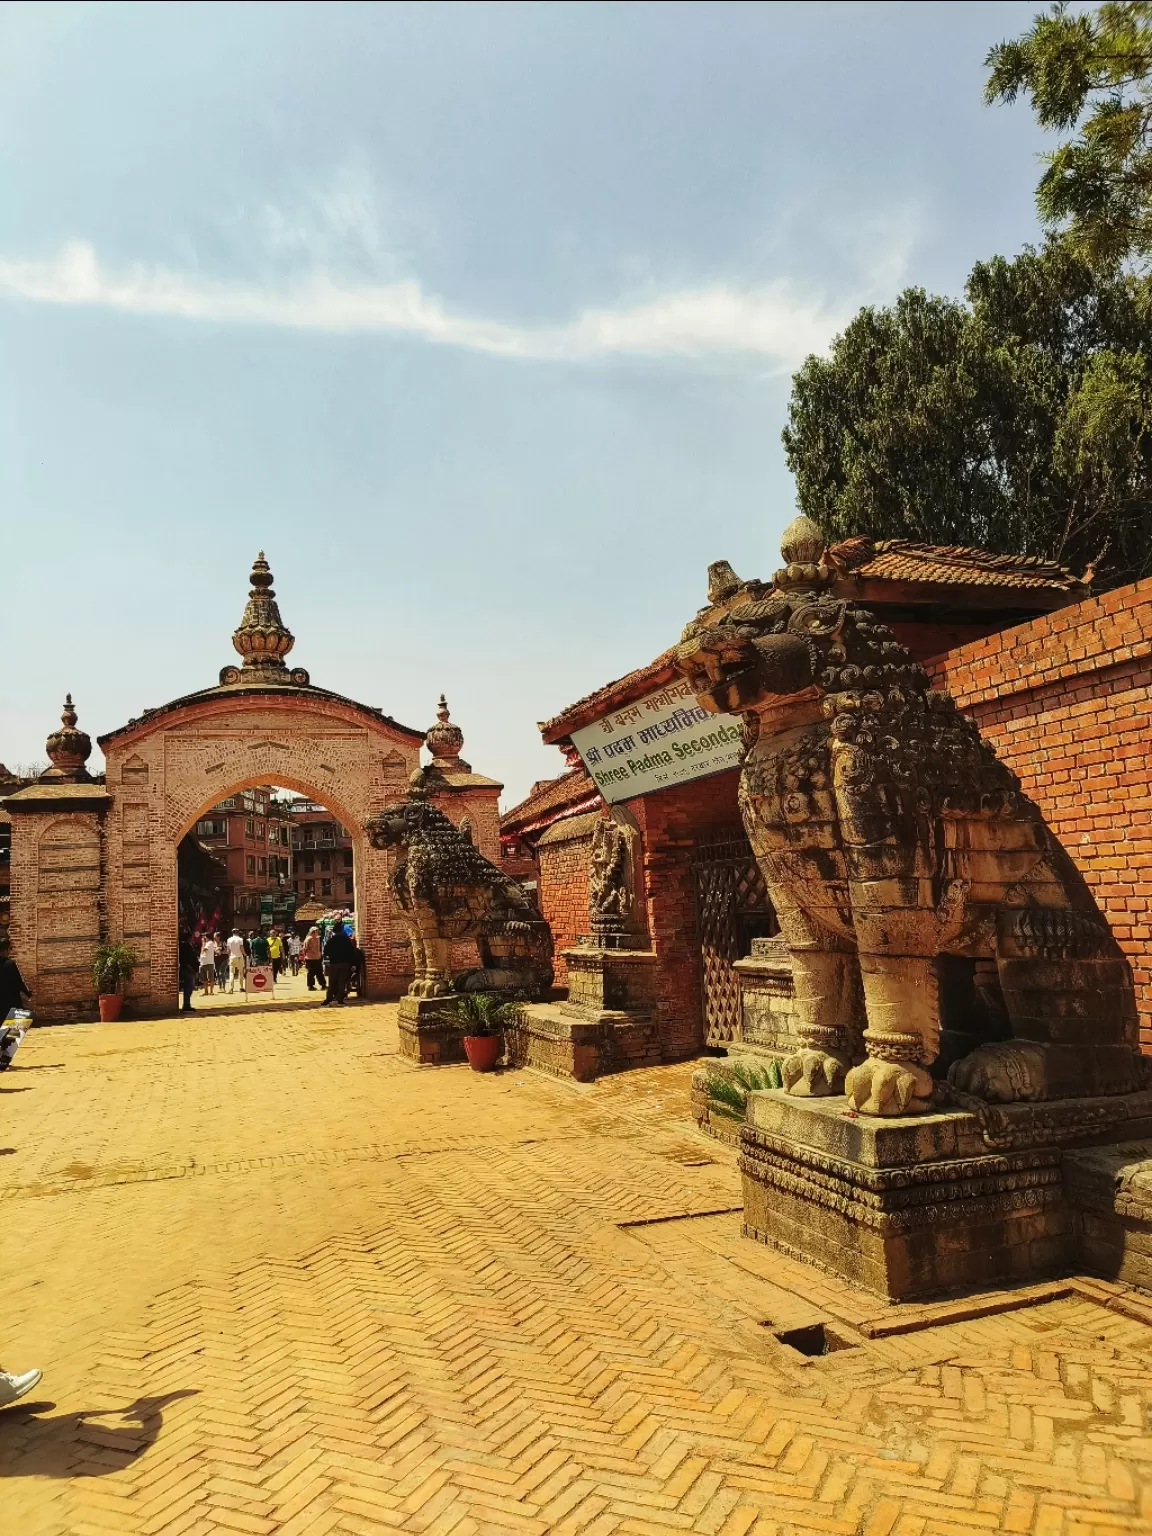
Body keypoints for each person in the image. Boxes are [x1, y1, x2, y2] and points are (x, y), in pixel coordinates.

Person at [322, 921, 356, 1006]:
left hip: (334, 964)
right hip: (345, 964)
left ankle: (329, 999)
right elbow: (351, 952)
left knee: (332, 983)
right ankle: (339, 999)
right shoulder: (346, 940)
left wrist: (327, 964)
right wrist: (351, 963)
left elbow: (325, 952)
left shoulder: (331, 941)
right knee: (342, 982)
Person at [0, 937, 32, 1019]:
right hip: (11, 1001)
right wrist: (28, 993)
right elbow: (19, 981)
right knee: (14, 1029)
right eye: (10, 948)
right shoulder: (10, 964)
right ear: (5, 950)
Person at [178, 932, 198, 1012]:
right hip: (187, 970)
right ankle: (186, 1005)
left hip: (189, 969)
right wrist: (191, 969)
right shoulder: (185, 946)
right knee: (188, 988)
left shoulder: (187, 946)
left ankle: (187, 1004)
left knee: (189, 988)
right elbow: (185, 960)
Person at [302, 926, 324, 991]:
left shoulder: (318, 939)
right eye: (316, 931)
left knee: (319, 972)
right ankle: (310, 986)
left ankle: (323, 984)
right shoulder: (308, 939)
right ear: (312, 932)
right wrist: (305, 957)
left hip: (317, 958)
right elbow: (304, 949)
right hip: (310, 958)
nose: (317, 932)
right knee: (311, 973)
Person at [226, 929, 247, 993]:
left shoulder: (229, 939)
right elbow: (241, 948)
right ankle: (241, 987)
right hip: (239, 957)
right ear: (238, 932)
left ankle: (231, 988)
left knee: (231, 973)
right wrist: (245, 954)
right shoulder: (240, 939)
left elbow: (228, 950)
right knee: (241, 972)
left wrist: (229, 956)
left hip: (232, 957)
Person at [349, 934, 366, 998]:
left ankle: (345, 990)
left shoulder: (350, 951)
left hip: (353, 971)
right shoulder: (357, 951)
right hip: (355, 970)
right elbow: (361, 961)